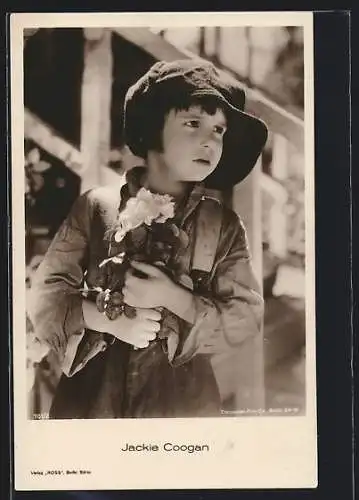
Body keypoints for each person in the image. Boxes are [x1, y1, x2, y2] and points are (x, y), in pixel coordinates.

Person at [28, 59, 268, 418]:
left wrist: (174, 297)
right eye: (193, 123)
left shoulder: (222, 226)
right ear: (153, 127)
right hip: (93, 404)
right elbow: (45, 295)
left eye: (219, 130)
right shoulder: (96, 208)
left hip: (181, 409)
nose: (209, 140)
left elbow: (245, 320)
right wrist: (105, 319)